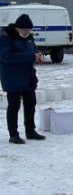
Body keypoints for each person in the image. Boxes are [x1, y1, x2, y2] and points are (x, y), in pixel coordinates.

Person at [0, 14, 45, 144]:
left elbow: (33, 49)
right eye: (25, 30)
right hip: (12, 77)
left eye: (29, 30)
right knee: (14, 106)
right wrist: (31, 56)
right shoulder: (6, 38)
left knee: (31, 104)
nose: (27, 32)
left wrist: (37, 54)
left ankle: (30, 131)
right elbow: (6, 57)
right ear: (17, 28)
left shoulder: (29, 37)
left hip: (27, 77)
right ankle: (13, 135)